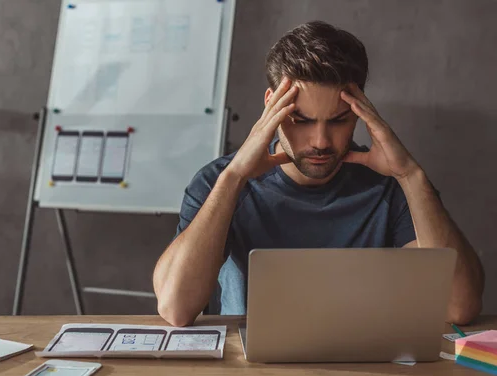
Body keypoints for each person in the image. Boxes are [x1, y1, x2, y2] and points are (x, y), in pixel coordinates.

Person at [153, 21, 484, 327]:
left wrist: (411, 175)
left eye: (338, 120)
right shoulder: (219, 181)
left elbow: (458, 307)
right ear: (272, 106)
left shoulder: (393, 187)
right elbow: (175, 307)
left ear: (361, 111)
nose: (321, 142)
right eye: (302, 120)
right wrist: (235, 176)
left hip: (366, 370)